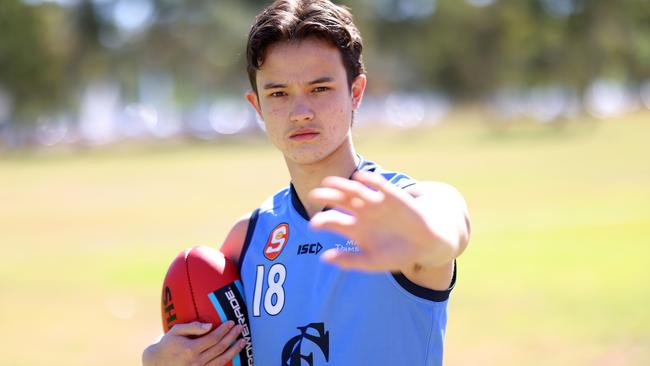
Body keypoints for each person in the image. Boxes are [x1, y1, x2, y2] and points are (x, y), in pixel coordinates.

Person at [142, 0, 470, 365]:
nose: (301, 112)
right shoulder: (247, 239)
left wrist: (430, 234)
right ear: (258, 107)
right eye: (279, 93)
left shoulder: (400, 210)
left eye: (320, 88)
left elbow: (448, 220)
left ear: (356, 92)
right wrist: (159, 359)